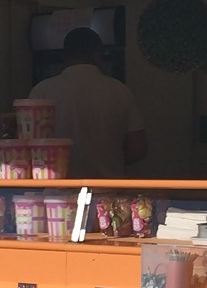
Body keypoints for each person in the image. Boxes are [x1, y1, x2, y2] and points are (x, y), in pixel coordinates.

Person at [29, 27, 147, 179]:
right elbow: (138, 148)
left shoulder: (41, 91)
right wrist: (109, 160)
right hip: (108, 191)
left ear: (64, 56)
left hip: (56, 195)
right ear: (98, 55)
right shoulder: (119, 90)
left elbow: (28, 146)